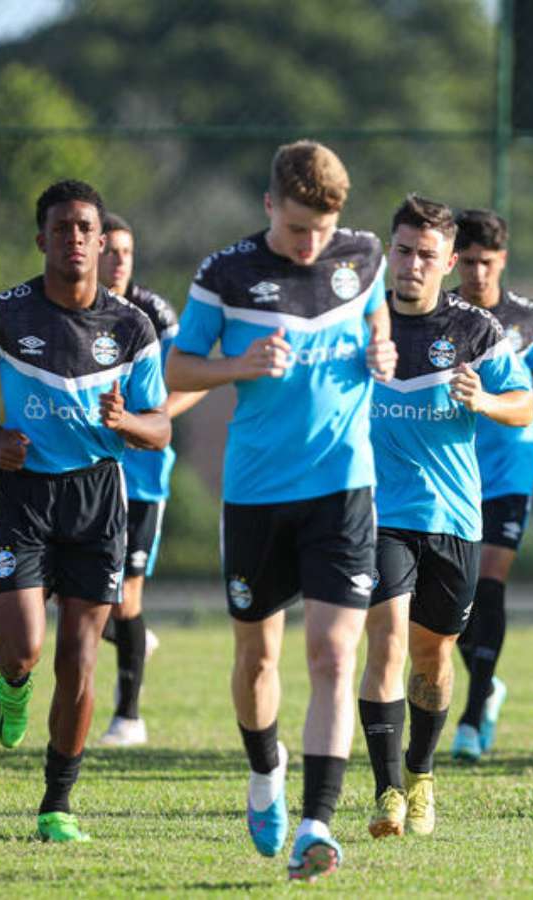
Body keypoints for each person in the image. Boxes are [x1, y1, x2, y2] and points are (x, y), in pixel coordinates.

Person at [165, 140, 397, 880]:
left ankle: (316, 825)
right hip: (258, 494)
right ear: (270, 206)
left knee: (333, 655)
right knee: (256, 657)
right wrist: (240, 365)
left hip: (344, 487)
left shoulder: (362, 255)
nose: (311, 244)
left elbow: (379, 320)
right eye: (298, 229)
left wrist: (383, 351)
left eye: (323, 231)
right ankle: (266, 770)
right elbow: (176, 368)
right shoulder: (224, 273)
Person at [0, 179, 170, 842]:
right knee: (24, 649)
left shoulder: (132, 327)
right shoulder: (6, 314)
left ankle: (57, 805)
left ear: (103, 243)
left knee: (78, 656)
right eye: (62, 228)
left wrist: (128, 420)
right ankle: (10, 683)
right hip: (24, 496)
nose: (74, 239)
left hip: (98, 498)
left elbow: (161, 427)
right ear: (41, 237)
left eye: (85, 229)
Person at [358, 194, 533, 839]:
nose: (410, 264)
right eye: (401, 251)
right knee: (387, 641)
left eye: (425, 255)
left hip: (455, 519)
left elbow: (524, 407)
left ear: (449, 261)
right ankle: (385, 794)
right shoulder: (362, 323)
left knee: (432, 660)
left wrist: (484, 399)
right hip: (379, 515)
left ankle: (421, 774)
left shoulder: (476, 330)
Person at [447, 209, 533, 762]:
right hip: (451, 461)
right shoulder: (439, 316)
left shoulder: (528, 319)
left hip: (512, 460)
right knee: (452, 592)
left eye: (486, 262)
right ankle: (488, 684)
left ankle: (471, 714)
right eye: (466, 262)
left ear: (502, 260)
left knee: (490, 580)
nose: (476, 273)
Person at [95, 212, 205, 748]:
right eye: (109, 250)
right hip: (88, 471)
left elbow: (195, 377)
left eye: (127, 252)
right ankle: (134, 639)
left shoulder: (154, 313)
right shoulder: (72, 310)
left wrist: (158, 415)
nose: (118, 261)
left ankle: (128, 717)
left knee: (127, 593)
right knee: (74, 593)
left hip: (141, 478)